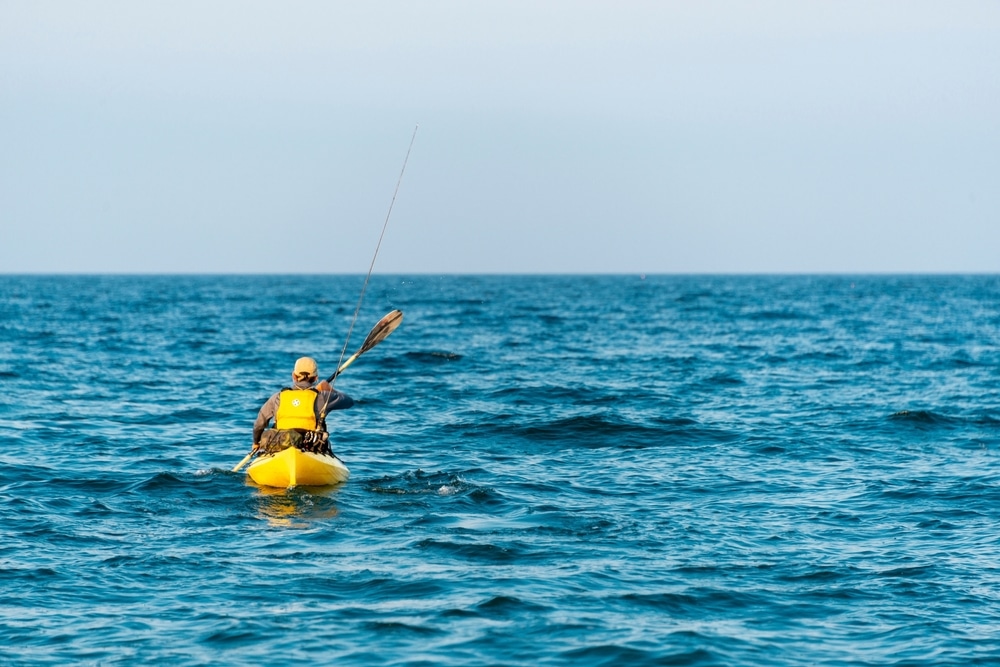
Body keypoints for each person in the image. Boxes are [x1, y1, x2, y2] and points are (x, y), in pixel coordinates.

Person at [252, 356, 354, 456]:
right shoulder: (323, 396)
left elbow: (259, 424)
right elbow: (349, 402)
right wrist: (328, 388)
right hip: (311, 448)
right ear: (315, 378)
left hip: (280, 446)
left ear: (294, 376)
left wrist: (256, 442)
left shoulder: (277, 397)